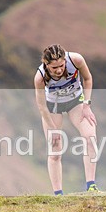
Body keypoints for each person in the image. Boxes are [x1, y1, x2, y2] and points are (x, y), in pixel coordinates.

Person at [33, 44, 99, 195]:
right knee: (55, 151)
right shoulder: (40, 77)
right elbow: (41, 106)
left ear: (65, 61)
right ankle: (58, 194)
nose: (58, 70)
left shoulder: (76, 60)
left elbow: (88, 79)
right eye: (54, 68)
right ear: (46, 64)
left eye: (61, 66)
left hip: (76, 102)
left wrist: (87, 105)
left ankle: (91, 186)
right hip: (53, 107)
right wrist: (53, 129)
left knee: (90, 137)